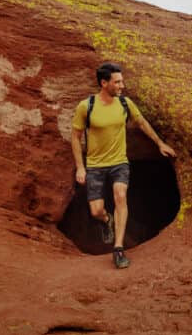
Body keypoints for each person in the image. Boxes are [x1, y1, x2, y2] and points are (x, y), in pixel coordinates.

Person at [71, 62, 176, 269]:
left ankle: (118, 249)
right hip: (95, 165)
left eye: (122, 81)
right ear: (104, 83)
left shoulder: (125, 104)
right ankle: (106, 219)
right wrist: (80, 167)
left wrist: (160, 143)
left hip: (119, 162)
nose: (122, 85)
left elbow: (142, 123)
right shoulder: (87, 106)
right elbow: (75, 137)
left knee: (120, 195)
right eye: (117, 82)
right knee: (96, 210)